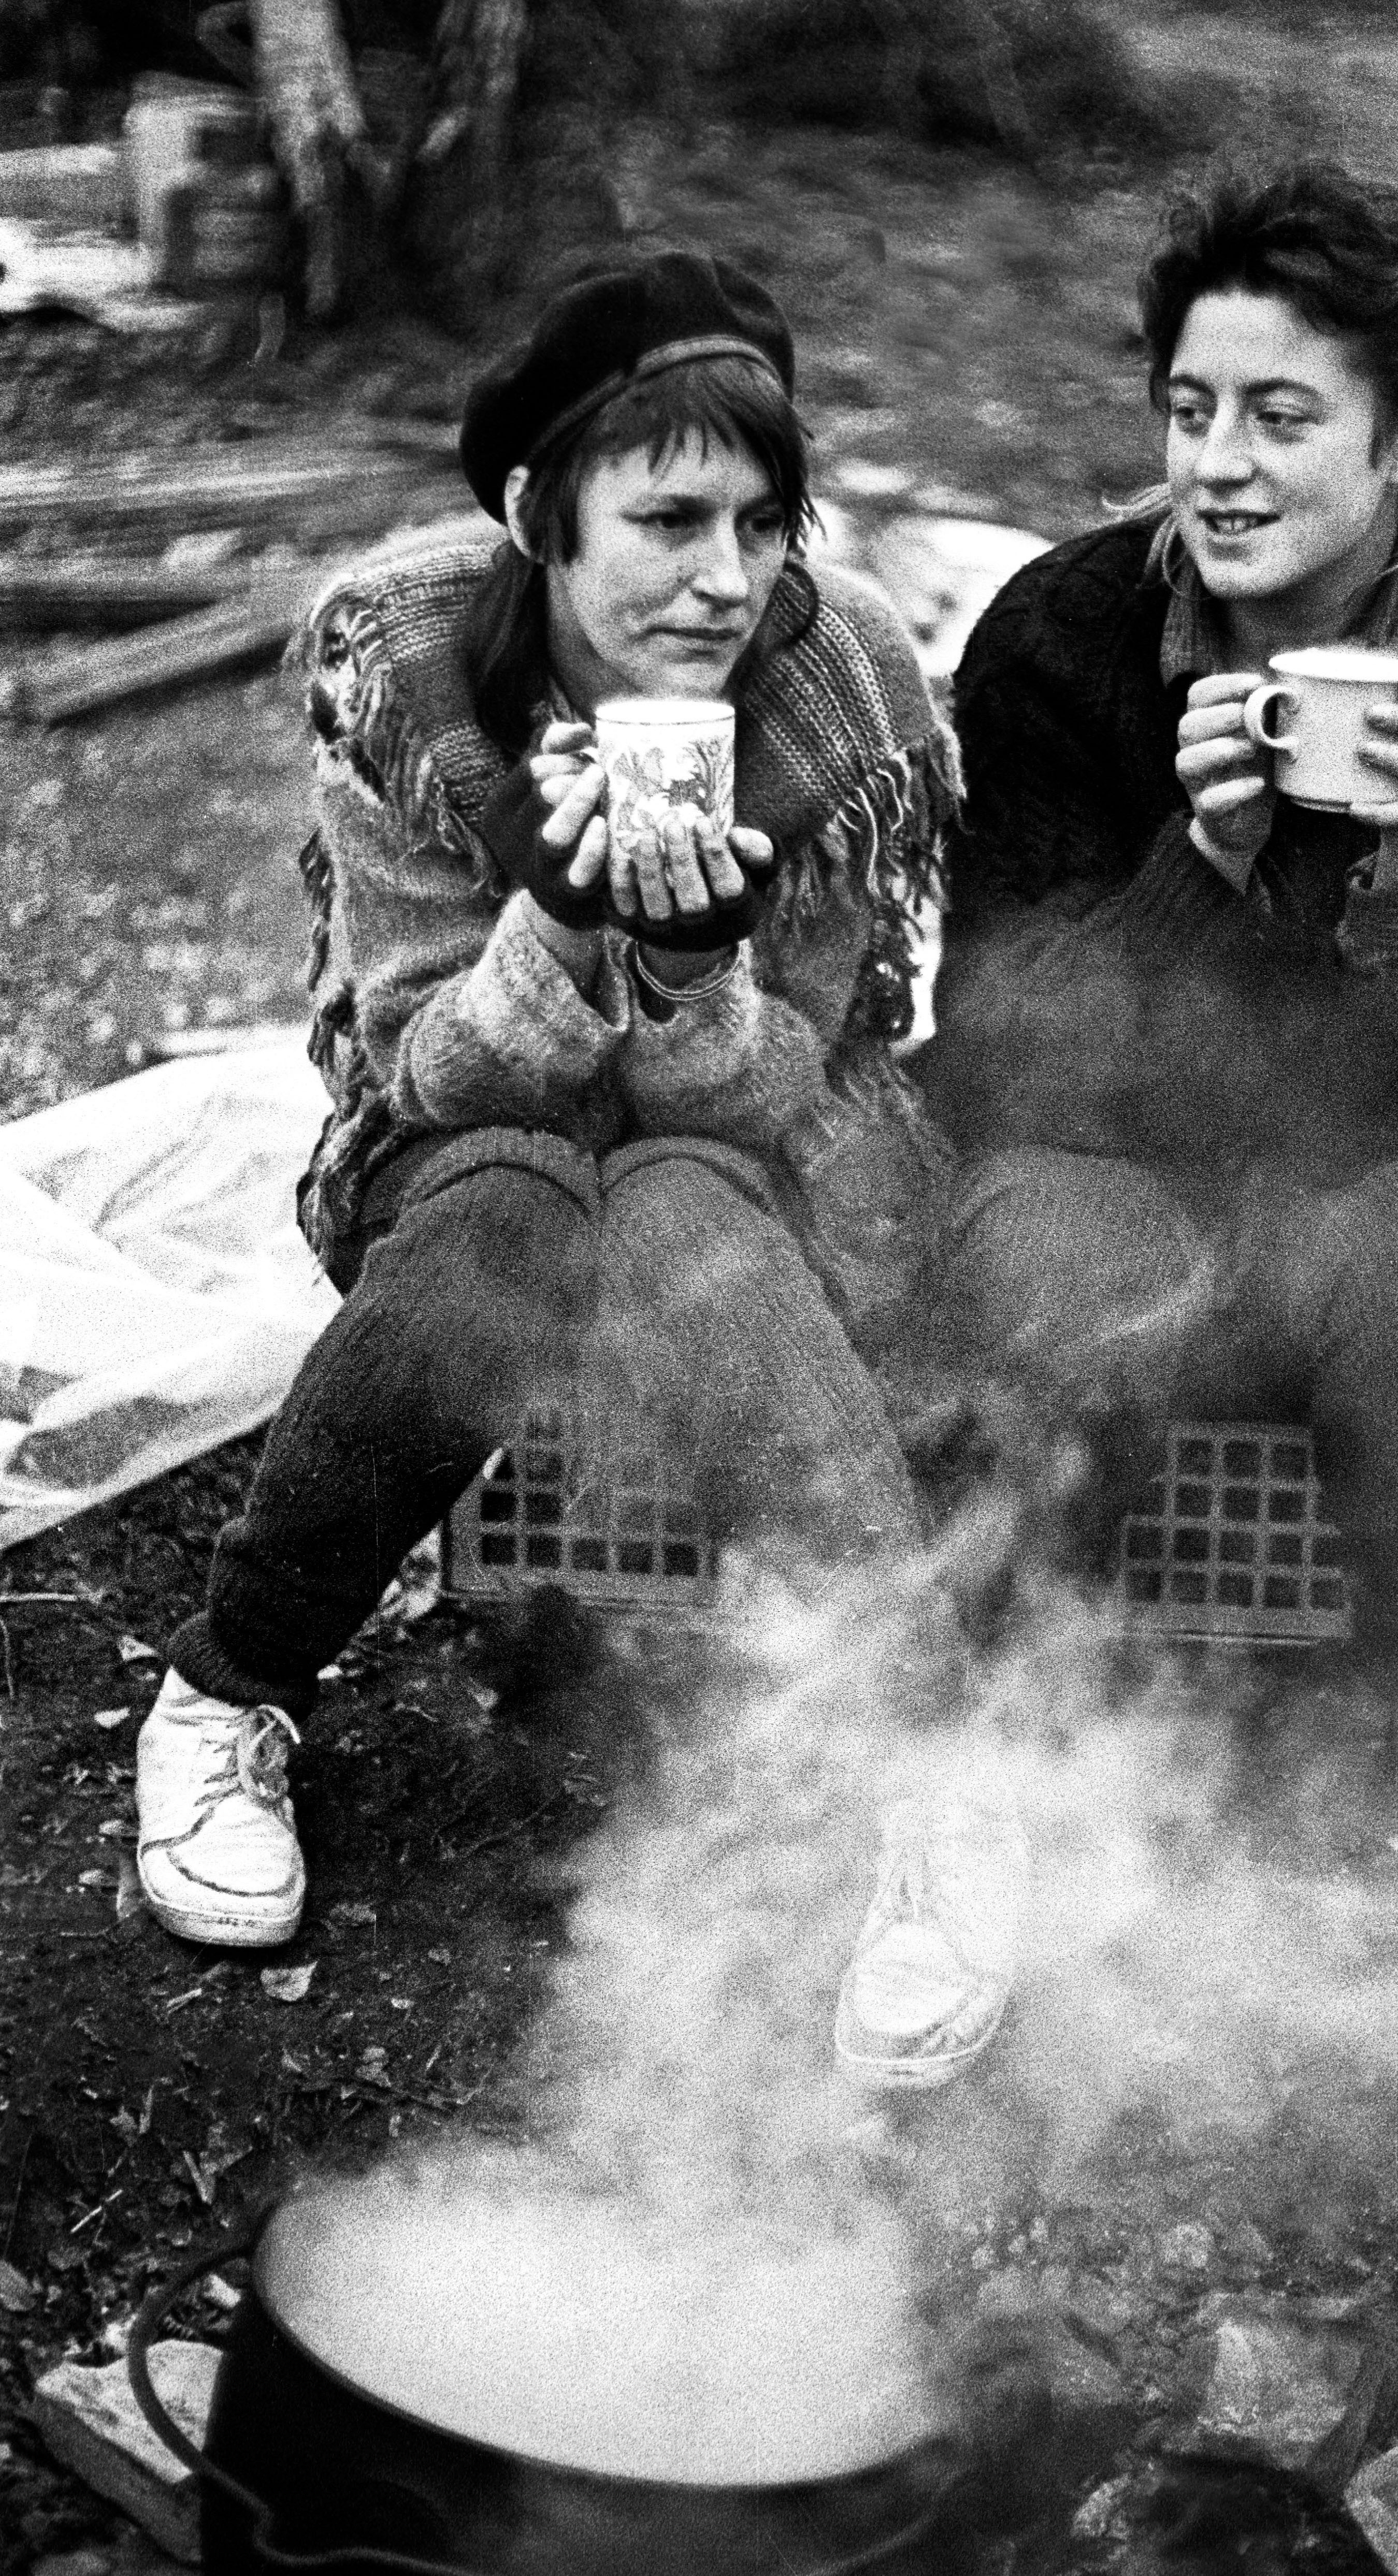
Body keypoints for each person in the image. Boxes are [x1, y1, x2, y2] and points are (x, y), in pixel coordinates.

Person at [134, 255, 1013, 2080]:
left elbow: (804, 1078)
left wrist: (690, 972)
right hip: (465, 1144)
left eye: (763, 521)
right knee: (518, 1191)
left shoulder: (837, 690)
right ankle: (228, 1691)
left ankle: (933, 1779)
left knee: (680, 1197)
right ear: (540, 516)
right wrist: (555, 918)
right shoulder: (411, 671)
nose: (725, 577)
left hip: (761, 1161)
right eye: (668, 518)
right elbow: (418, 1061)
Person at [922, 160, 1398, 1841]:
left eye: (1277, 416)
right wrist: (1200, 866)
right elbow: (991, 1051)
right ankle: (1038, 1681)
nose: (1216, 466)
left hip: (1379, 1162)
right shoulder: (1059, 637)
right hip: (1107, 1161)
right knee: (1045, 1248)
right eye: (1187, 410)